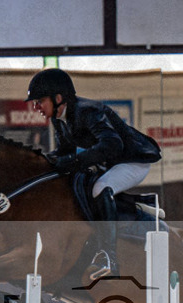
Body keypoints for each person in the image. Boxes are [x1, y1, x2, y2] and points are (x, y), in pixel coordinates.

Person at [26, 68, 162, 278]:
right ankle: (134, 205)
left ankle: (109, 257)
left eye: (40, 101)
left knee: (100, 187)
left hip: (133, 161)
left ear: (58, 98)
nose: (36, 107)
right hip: (111, 161)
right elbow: (65, 151)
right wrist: (39, 162)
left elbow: (112, 145)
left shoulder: (87, 111)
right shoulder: (58, 118)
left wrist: (74, 161)